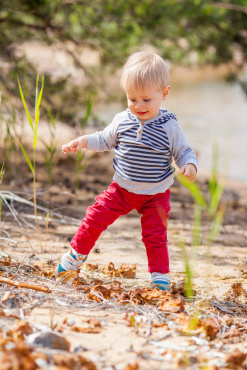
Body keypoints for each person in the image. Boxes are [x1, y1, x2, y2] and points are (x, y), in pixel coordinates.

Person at [55, 51, 198, 291]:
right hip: (121, 189)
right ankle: (76, 255)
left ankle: (159, 275)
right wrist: (84, 141)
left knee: (155, 236)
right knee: (94, 218)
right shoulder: (122, 120)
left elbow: (183, 151)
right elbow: (104, 139)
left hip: (156, 194)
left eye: (146, 100)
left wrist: (189, 165)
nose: (138, 106)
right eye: (132, 99)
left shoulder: (169, 126)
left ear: (164, 93)